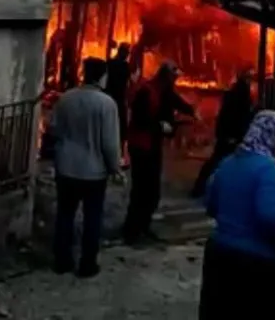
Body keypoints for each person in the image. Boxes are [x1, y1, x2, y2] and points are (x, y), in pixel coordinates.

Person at [198, 109, 275, 320]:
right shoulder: (268, 168)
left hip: (218, 256)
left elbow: (210, 201)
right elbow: (268, 213)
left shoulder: (228, 162)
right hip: (255, 263)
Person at [49, 56, 122, 278]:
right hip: (93, 172)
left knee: (65, 215)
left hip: (66, 168)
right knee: (92, 218)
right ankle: (87, 265)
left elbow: (54, 130)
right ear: (102, 76)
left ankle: (62, 261)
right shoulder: (107, 104)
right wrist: (115, 168)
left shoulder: (65, 99)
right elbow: (109, 143)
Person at [123, 60, 196, 244]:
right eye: (173, 77)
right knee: (141, 190)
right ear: (166, 76)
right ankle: (132, 231)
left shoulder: (163, 91)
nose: (174, 82)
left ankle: (142, 226)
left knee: (152, 191)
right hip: (141, 146)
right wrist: (159, 126)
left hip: (152, 145)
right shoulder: (147, 92)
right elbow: (140, 120)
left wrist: (191, 110)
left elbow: (173, 100)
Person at [191, 67, 255, 198]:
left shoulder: (237, 92)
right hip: (231, 135)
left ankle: (204, 188)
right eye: (249, 77)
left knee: (221, 161)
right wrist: (232, 135)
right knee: (218, 161)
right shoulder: (240, 94)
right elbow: (235, 116)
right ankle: (201, 188)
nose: (251, 80)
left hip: (230, 134)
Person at [106, 42, 131, 161]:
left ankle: (116, 153)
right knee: (121, 127)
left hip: (111, 98)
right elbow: (127, 83)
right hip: (118, 99)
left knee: (114, 126)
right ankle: (119, 154)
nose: (127, 55)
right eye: (126, 53)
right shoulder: (124, 66)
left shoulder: (110, 63)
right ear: (122, 52)